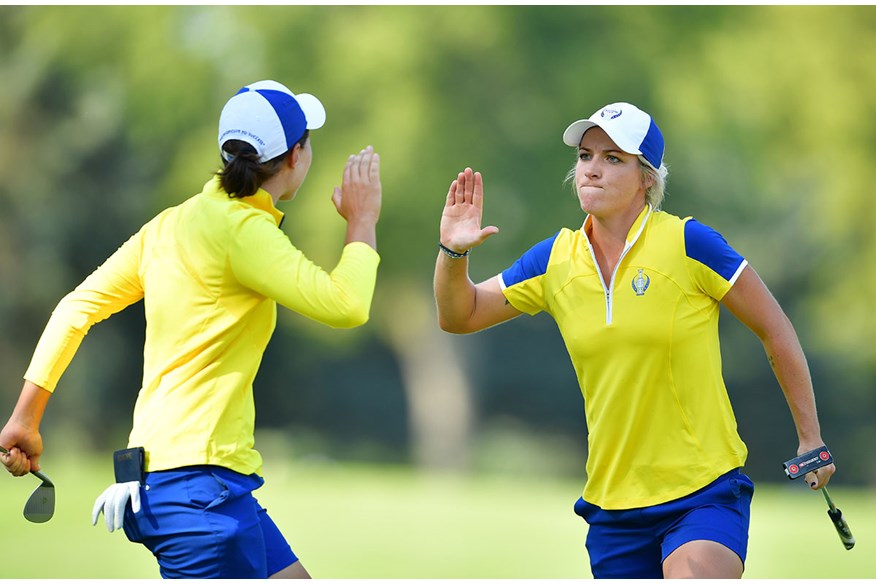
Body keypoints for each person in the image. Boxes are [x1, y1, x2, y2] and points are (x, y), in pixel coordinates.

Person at [433, 102, 835, 578]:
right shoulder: (554, 260)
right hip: (613, 508)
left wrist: (811, 437)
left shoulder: (689, 244)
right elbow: (461, 315)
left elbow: (776, 329)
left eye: (613, 159)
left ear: (647, 178)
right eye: (585, 156)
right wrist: (453, 252)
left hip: (702, 493)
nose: (592, 170)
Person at [0, 80, 382, 579]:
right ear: (295, 157)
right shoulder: (246, 231)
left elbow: (76, 308)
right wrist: (362, 221)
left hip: (190, 487)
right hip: (200, 495)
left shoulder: (170, 225)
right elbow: (347, 305)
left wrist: (26, 418)